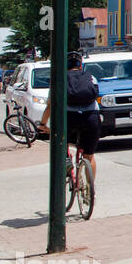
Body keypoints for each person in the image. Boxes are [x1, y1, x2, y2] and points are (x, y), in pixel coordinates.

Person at [38, 51, 100, 182]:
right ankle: (90, 190)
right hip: (91, 118)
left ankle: (66, 160)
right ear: (81, 65)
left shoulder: (59, 79)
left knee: (61, 144)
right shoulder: (91, 77)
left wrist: (43, 124)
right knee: (89, 155)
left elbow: (50, 106)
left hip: (68, 118)